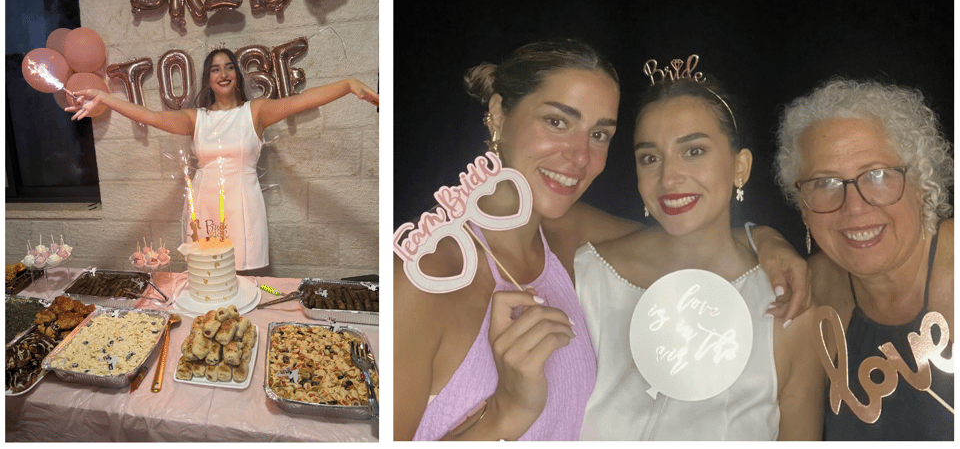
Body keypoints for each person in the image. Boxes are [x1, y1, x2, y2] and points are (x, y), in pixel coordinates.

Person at [394, 41, 810, 441]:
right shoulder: (425, 279)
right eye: (557, 121)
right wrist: (508, 411)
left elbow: (691, 236)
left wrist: (765, 240)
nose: (578, 156)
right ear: (499, 113)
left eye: (599, 135)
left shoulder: (564, 243)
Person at [574, 66, 824, 440]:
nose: (669, 178)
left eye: (693, 151)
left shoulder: (787, 307)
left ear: (740, 167)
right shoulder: (589, 279)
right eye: (650, 158)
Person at [65, 48, 378, 272]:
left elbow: (300, 101)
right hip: (203, 203)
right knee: (205, 275)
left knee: (248, 279)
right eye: (215, 69)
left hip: (243, 203)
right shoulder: (195, 117)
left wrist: (348, 84)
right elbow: (152, 116)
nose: (223, 73)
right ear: (208, 78)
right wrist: (106, 98)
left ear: (237, 75)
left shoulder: (255, 111)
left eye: (229, 67)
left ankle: (265, 298)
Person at [775, 78, 953, 440]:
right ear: (802, 206)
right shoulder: (814, 291)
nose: (855, 208)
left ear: (921, 181)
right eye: (825, 183)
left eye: (877, 175)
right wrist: (763, 241)